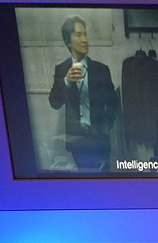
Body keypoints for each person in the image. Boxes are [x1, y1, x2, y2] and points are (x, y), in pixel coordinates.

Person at [49, 15, 119, 171]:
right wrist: (66, 81)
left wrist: (106, 125)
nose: (85, 39)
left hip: (99, 140)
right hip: (76, 142)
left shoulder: (101, 70)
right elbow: (54, 103)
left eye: (85, 34)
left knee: (104, 180)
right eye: (78, 35)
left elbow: (113, 102)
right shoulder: (62, 69)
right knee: (84, 180)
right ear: (68, 41)